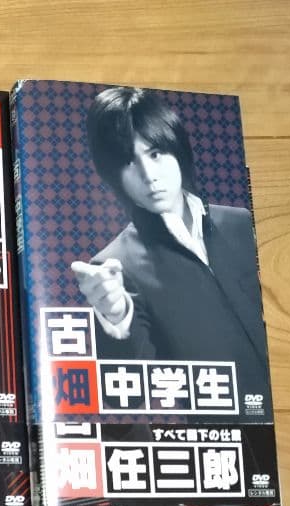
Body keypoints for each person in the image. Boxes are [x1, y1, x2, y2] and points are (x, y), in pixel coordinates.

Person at [70, 86, 272, 408]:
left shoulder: (241, 224)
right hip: (225, 430)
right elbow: (126, 397)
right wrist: (117, 317)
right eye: (129, 162)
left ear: (176, 148)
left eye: (155, 154)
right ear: (113, 176)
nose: (149, 175)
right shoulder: (114, 265)